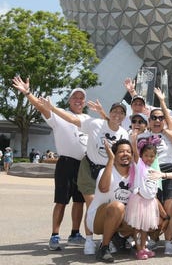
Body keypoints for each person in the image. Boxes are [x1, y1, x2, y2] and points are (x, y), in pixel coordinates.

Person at [12, 75, 88, 251]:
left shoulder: (86, 120)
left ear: (84, 102)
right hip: (66, 163)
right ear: (69, 100)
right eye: (75, 97)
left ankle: (75, 234)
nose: (78, 100)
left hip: (83, 166)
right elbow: (40, 106)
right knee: (61, 201)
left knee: (79, 201)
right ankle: (55, 235)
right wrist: (28, 93)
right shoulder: (60, 115)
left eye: (81, 98)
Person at [45, 98, 129, 254]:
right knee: (92, 206)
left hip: (108, 172)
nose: (118, 114)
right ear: (109, 113)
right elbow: (72, 119)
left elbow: (124, 154)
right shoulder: (95, 123)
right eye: (115, 111)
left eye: (121, 112)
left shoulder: (124, 133)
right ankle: (89, 240)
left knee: (108, 207)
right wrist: (53, 109)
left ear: (124, 117)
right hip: (89, 169)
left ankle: (107, 239)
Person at [139, 88, 172, 255]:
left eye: (160, 118)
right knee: (153, 208)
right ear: (149, 120)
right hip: (151, 174)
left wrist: (163, 129)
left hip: (170, 171)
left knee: (170, 208)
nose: (157, 120)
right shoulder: (144, 137)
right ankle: (154, 238)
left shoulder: (169, 133)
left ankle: (169, 241)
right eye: (154, 118)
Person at [86, 139, 134, 263]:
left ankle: (118, 237)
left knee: (143, 214)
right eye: (121, 152)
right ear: (115, 154)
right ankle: (104, 247)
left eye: (128, 152)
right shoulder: (106, 171)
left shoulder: (135, 174)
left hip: (120, 218)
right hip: (98, 218)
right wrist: (110, 159)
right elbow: (103, 188)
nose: (125, 154)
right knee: (117, 206)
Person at [125, 132, 166, 259]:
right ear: (141, 156)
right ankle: (138, 249)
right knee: (137, 227)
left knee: (145, 228)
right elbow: (135, 155)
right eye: (146, 155)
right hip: (139, 201)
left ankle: (143, 247)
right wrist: (133, 141)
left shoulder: (154, 170)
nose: (149, 158)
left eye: (152, 156)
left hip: (150, 202)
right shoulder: (139, 166)